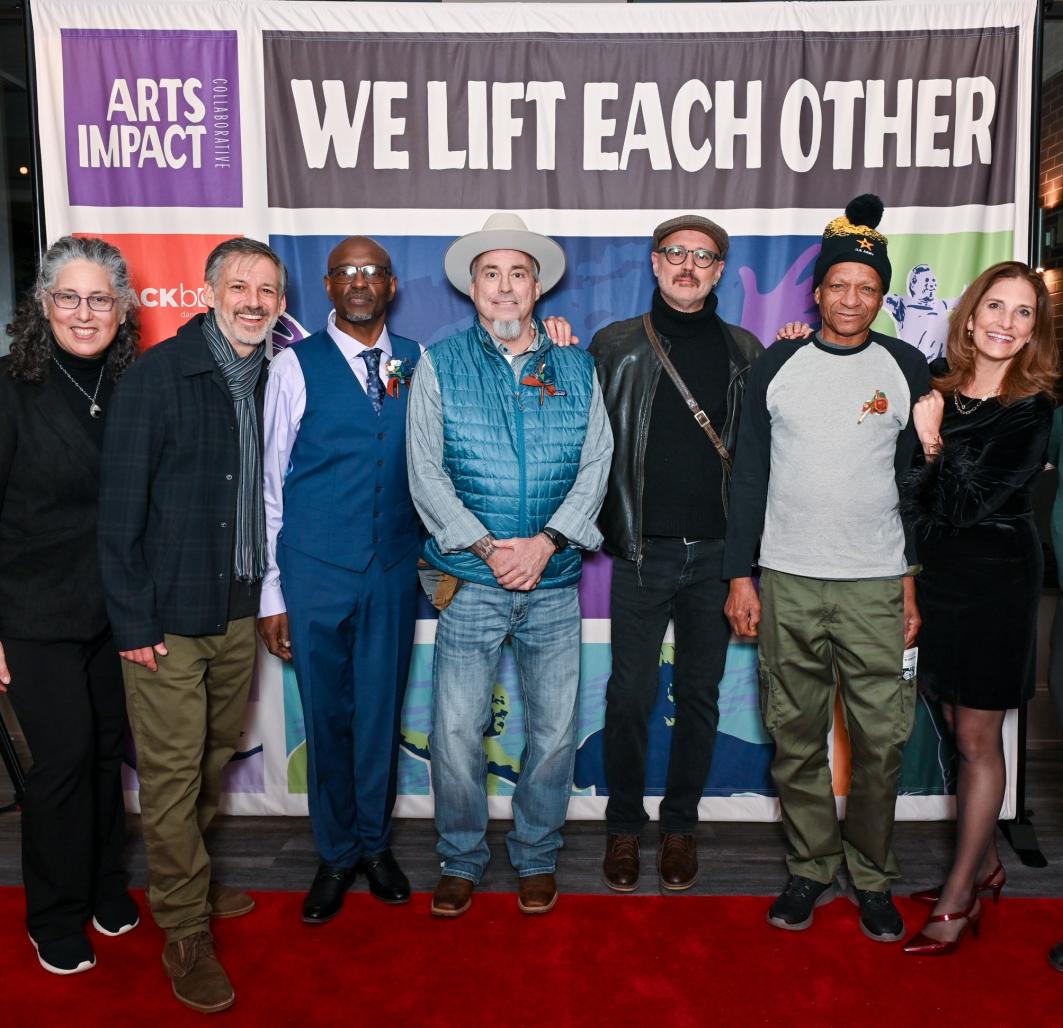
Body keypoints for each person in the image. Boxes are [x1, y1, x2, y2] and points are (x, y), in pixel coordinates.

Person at [723, 195, 928, 943]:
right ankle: (810, 867)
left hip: (875, 584)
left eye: (866, 288)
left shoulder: (907, 368)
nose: (850, 298)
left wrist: (909, 580)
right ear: (818, 292)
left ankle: (870, 874)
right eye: (838, 284)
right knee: (795, 734)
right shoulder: (776, 363)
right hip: (787, 580)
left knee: (880, 741)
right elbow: (746, 476)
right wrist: (740, 575)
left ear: (881, 296)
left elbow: (916, 492)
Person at [407, 212, 612, 918]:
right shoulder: (438, 363)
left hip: (552, 585)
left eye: (516, 274)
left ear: (536, 289)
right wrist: (492, 549)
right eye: (489, 274)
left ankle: (535, 854)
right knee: (457, 733)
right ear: (472, 288)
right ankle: (460, 857)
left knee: (554, 734)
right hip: (468, 581)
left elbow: (596, 465)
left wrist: (547, 544)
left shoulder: (578, 367)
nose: (503, 287)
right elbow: (424, 474)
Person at [99, 237, 285, 1013]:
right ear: (208, 291)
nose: (252, 301)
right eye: (238, 286)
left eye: (267, 290)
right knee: (172, 778)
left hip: (236, 609)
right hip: (166, 620)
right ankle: (182, 925)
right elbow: (117, 517)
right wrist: (135, 622)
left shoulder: (273, 375)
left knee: (211, 756)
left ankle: (194, 884)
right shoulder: (157, 379)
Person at [589, 214, 761, 892]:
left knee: (699, 694)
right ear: (655, 263)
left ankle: (681, 826)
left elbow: (757, 461)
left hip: (717, 557)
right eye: (675, 254)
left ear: (719, 271)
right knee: (628, 695)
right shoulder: (614, 344)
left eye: (703, 256)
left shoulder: (745, 350)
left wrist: (743, 563)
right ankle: (623, 828)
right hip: (641, 553)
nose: (688, 265)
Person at [258, 236, 420, 924]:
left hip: (391, 569)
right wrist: (272, 593)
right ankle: (335, 853)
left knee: (380, 711)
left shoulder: (417, 360)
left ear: (390, 286)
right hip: (315, 571)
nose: (359, 281)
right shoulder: (294, 366)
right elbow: (270, 486)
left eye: (372, 272)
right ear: (327, 287)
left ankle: (375, 846)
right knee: (327, 714)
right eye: (346, 272)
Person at [900, 261, 1057, 956]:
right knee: (943, 716)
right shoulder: (936, 385)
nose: (1004, 322)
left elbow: (962, 503)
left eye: (1022, 313)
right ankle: (985, 863)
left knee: (974, 740)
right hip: (935, 578)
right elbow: (906, 495)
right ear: (969, 315)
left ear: (1033, 332)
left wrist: (931, 441)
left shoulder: (1033, 406)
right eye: (995, 306)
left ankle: (960, 894)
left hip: (996, 580)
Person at [0, 236, 139, 975]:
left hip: (112, 610)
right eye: (68, 297)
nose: (84, 313)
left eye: (100, 298)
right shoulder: (9, 387)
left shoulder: (130, 385)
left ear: (122, 307)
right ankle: (52, 914)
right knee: (62, 760)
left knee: (105, 757)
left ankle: (103, 884)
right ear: (43, 304)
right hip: (30, 610)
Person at [884, 263, 961, 361]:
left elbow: (963, 300)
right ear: (913, 284)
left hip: (938, 368)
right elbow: (878, 294)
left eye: (933, 280)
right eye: (926, 280)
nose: (931, 284)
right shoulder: (901, 304)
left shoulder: (941, 305)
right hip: (913, 363)